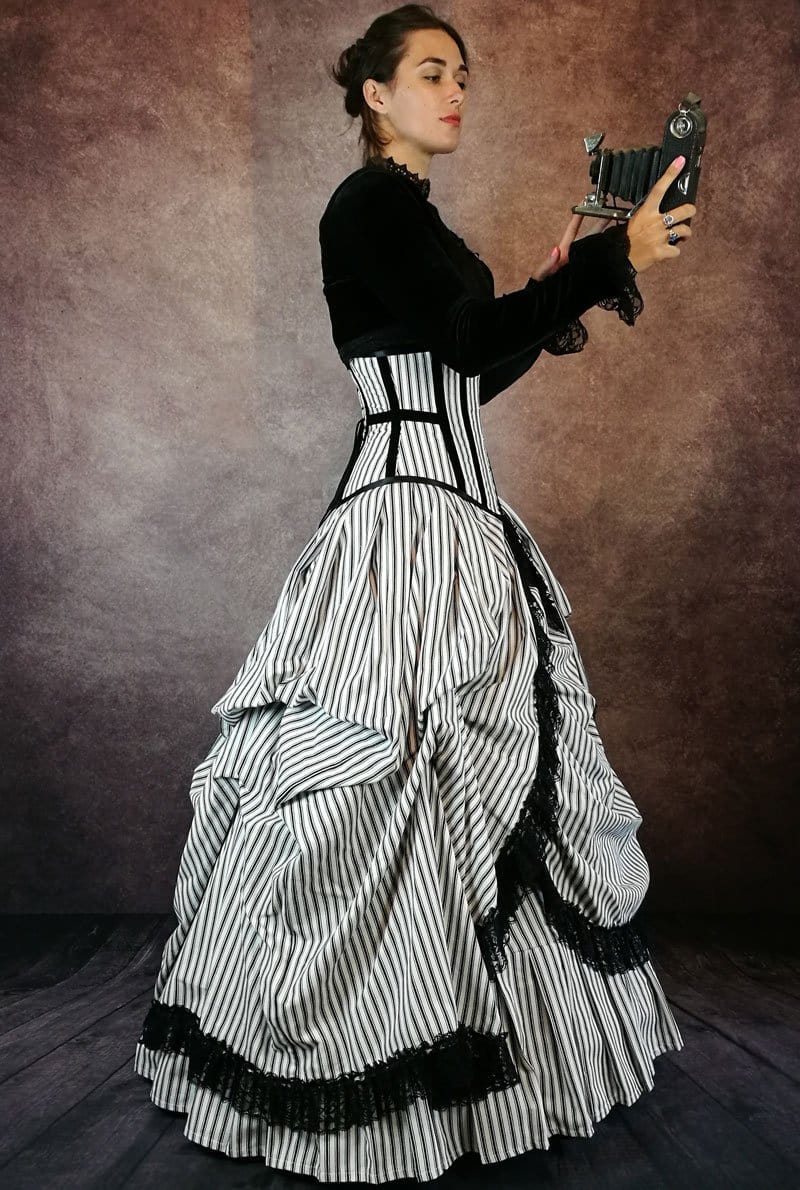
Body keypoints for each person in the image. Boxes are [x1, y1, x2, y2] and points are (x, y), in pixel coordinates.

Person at [133, 5, 692, 1183]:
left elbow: (469, 363)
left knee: (454, 768)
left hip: (448, 513)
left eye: (462, 76)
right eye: (431, 73)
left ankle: (481, 1040)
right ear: (374, 95)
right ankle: (365, 1035)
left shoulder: (414, 218)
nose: (455, 93)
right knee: (385, 769)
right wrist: (605, 261)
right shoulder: (366, 205)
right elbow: (451, 336)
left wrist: (562, 285)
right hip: (404, 522)